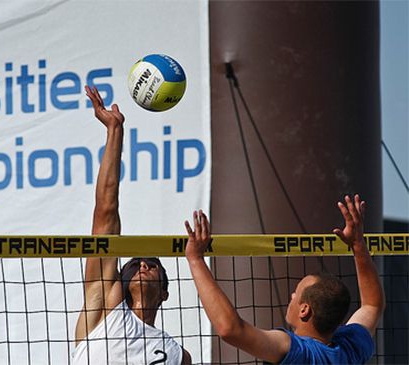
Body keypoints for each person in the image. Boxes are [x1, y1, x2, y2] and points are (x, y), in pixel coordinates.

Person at [184, 194, 385, 364]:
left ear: (305, 310)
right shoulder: (350, 348)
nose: (291, 294)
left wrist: (195, 259)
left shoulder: (297, 351)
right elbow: (372, 306)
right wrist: (358, 244)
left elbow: (231, 329)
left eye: (296, 293)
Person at [73, 85, 192, 365]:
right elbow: (105, 212)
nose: (143, 265)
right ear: (122, 284)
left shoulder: (176, 354)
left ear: (164, 293)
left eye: (152, 265)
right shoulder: (106, 306)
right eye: (136, 264)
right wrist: (115, 131)